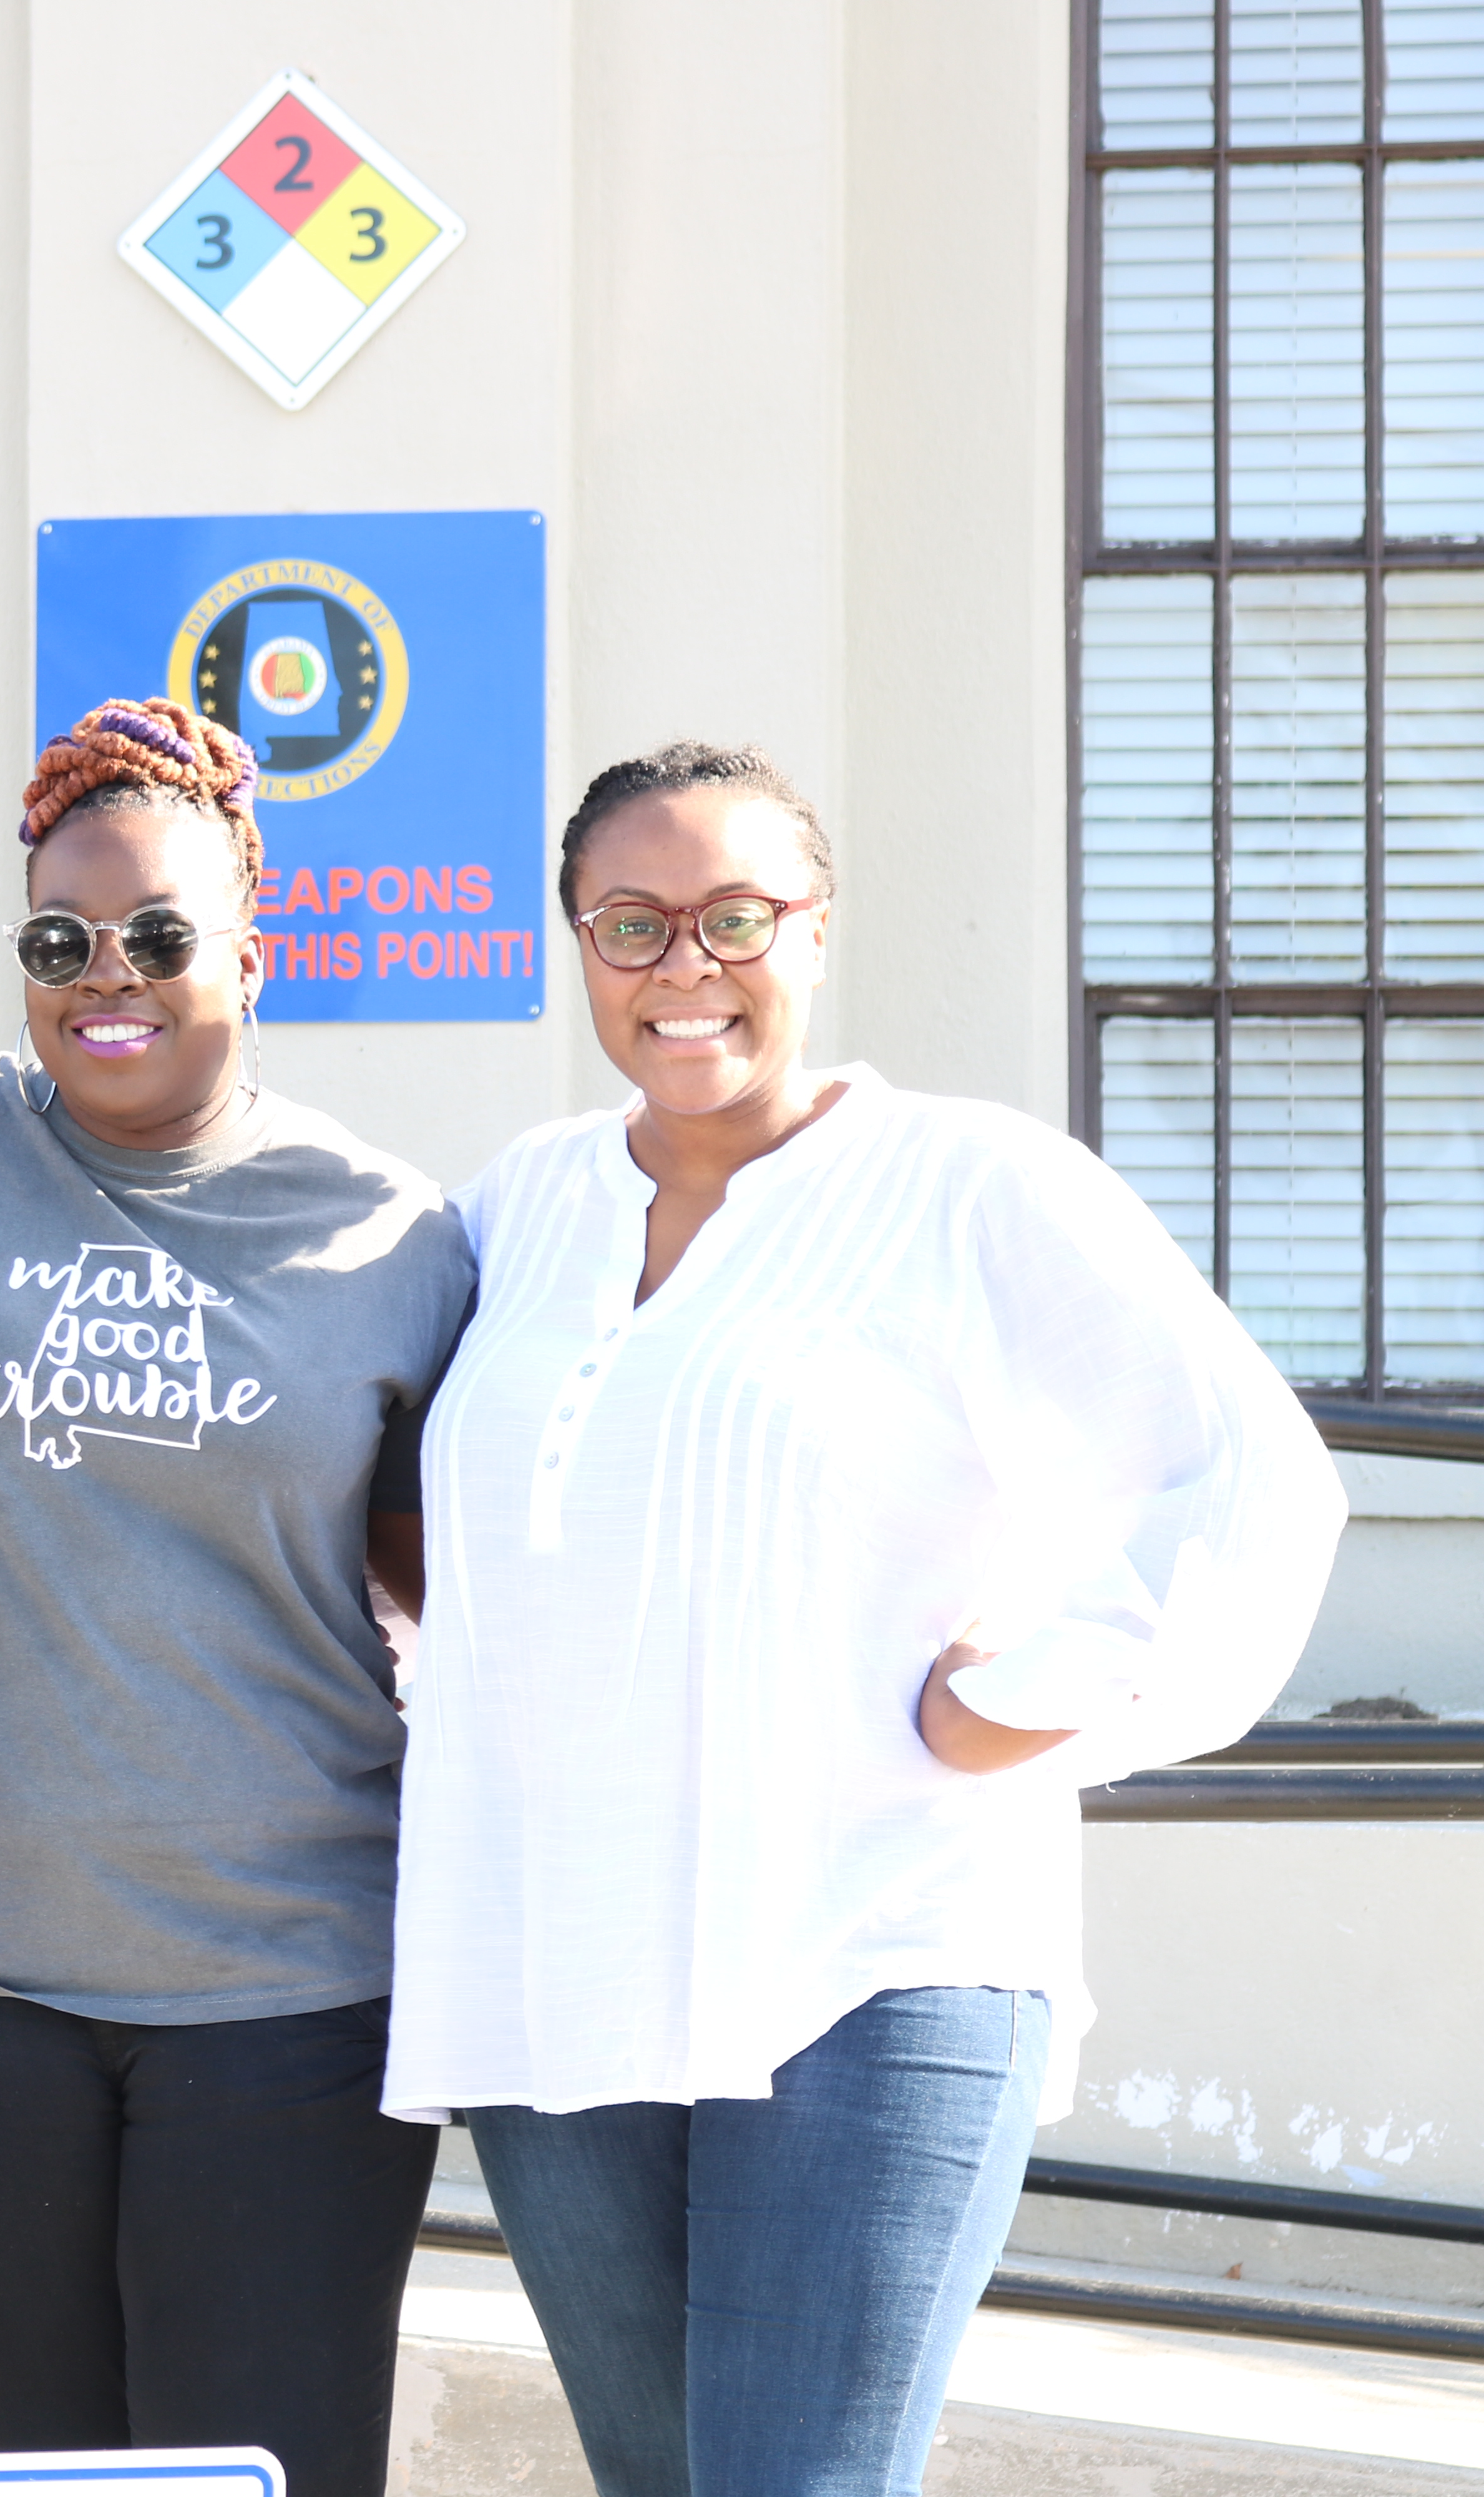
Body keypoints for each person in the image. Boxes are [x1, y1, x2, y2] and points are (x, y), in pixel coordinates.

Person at [388, 741, 1349, 2497]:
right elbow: (415, 1492)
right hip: (564, 1970)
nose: (687, 966)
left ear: (813, 933)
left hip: (871, 1959)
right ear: (578, 947)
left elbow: (1251, 1476)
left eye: (736, 915)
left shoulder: (972, 1183)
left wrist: (1056, 1693)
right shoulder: (521, 1203)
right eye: (634, 922)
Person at [0, 698, 476, 2496]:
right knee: (27, 2482)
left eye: (159, 937)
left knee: (267, 2480)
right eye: (59, 944)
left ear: (254, 945)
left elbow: (456, 1580)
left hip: (292, 1998)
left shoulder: (393, 1235)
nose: (106, 979)